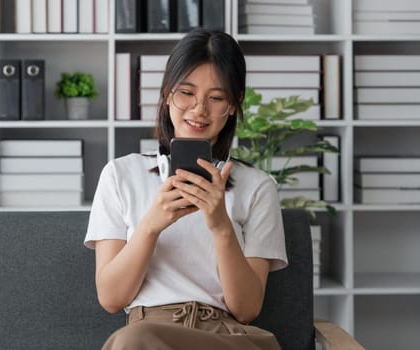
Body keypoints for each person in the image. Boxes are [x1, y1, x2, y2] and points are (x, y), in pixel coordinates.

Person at [84, 28, 288, 350]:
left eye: (216, 98)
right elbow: (111, 298)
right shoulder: (120, 175)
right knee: (134, 341)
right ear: (167, 95)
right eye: (186, 93)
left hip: (228, 338)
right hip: (148, 337)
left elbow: (246, 310)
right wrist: (152, 224)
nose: (199, 110)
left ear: (233, 106)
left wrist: (221, 225)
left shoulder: (257, 187)